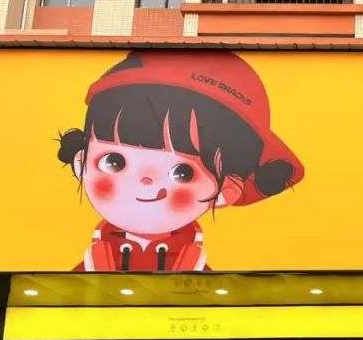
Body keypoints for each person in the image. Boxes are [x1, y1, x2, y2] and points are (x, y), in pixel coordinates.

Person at [57, 50, 304, 271]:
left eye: (182, 173)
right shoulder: (81, 275)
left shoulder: (209, 286)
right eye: (113, 162)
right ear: (81, 163)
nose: (145, 181)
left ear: (225, 191)